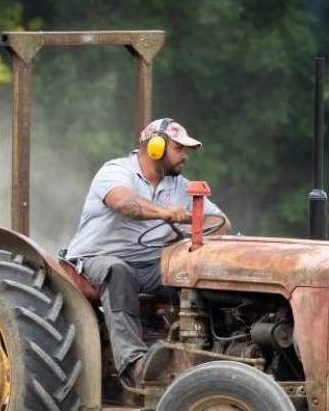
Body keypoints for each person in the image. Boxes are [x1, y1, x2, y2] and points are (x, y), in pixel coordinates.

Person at [64, 117, 231, 386]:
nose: (184, 156)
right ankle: (134, 365)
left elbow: (220, 222)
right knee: (118, 271)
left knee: (192, 276)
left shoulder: (180, 185)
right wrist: (166, 214)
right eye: (179, 149)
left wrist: (191, 222)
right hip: (97, 259)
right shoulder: (116, 171)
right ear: (155, 147)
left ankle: (201, 355)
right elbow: (124, 203)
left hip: (151, 264)